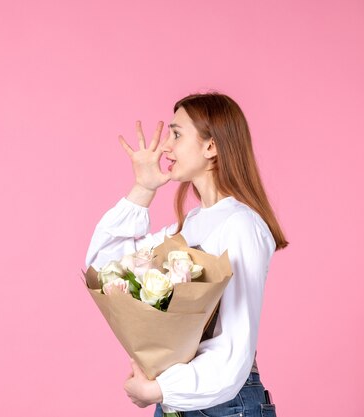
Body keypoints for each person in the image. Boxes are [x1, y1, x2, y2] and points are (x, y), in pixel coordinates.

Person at [84, 92, 288, 417]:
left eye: (177, 134)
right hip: (180, 399)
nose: (166, 146)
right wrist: (144, 188)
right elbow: (105, 270)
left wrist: (161, 389)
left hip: (224, 404)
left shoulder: (242, 225)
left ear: (211, 146)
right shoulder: (190, 225)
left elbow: (235, 348)